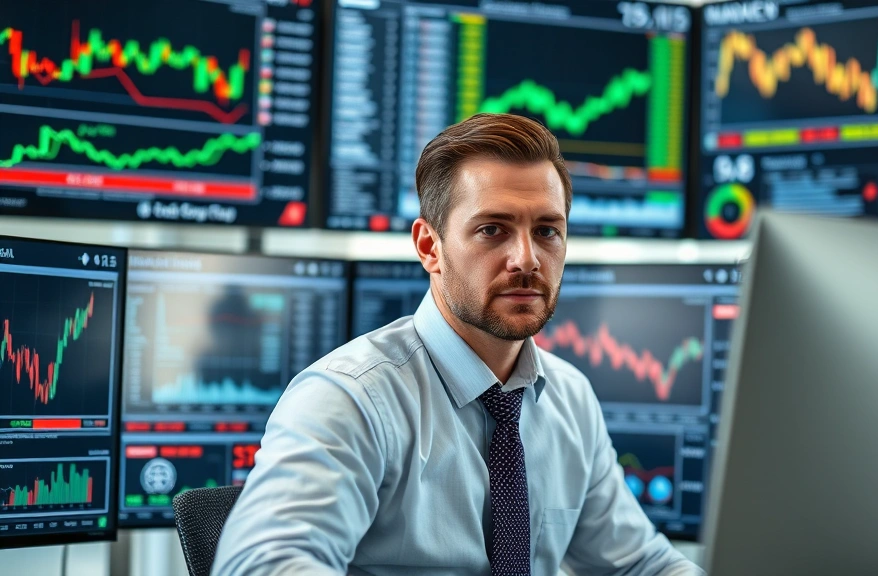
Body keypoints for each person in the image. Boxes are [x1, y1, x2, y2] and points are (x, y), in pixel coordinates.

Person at [212, 113, 704, 576]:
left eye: (547, 231)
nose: (527, 259)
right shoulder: (351, 398)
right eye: (493, 230)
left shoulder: (569, 397)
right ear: (430, 248)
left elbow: (643, 564)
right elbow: (262, 565)